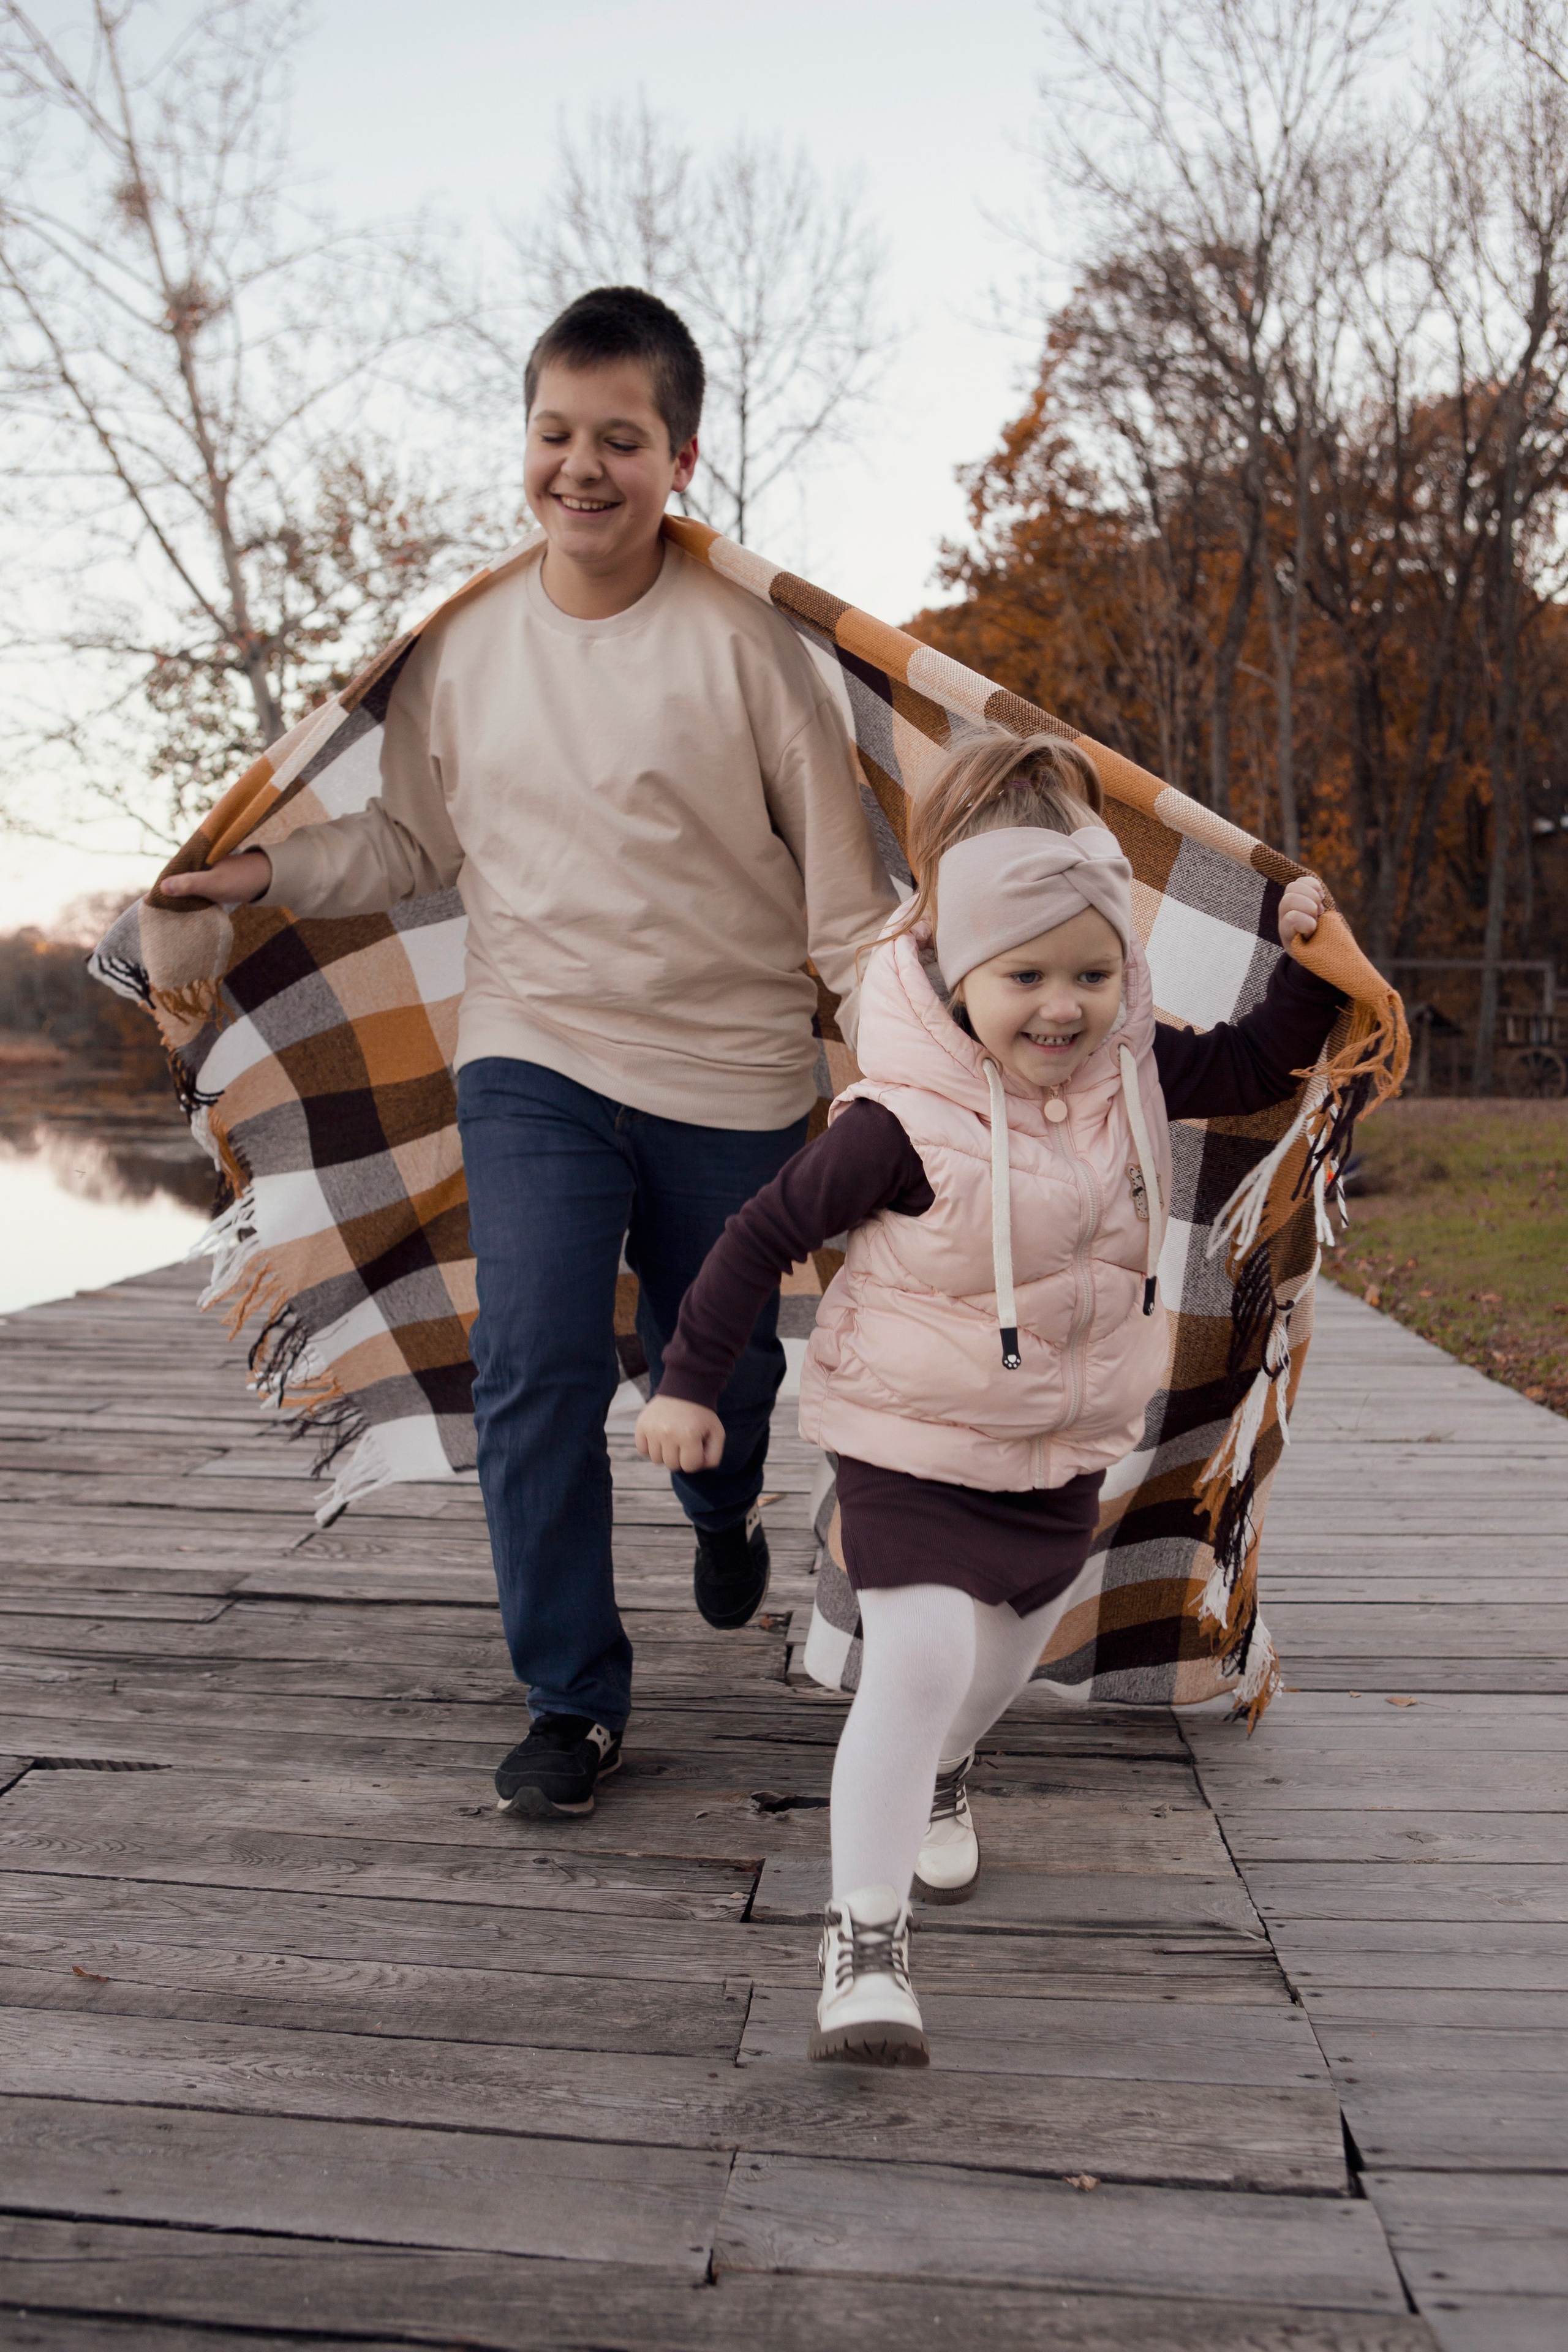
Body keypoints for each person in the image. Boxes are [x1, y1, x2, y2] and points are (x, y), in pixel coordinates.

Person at [159, 285, 899, 1820]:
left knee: (725, 1378)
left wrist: (906, 1071)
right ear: (526, 442)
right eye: (554, 432)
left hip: (734, 1076)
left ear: (680, 458)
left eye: (618, 439)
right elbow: (413, 841)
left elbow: (847, 903)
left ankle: (717, 1505)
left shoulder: (751, 648)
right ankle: (573, 1699)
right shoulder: (465, 643)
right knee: (534, 1365)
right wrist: (261, 877)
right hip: (533, 1055)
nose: (581, 466)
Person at [635, 727, 1343, 2066]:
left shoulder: (1131, 1071)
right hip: (904, 1437)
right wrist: (686, 1385)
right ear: (961, 978)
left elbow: (1255, 1068)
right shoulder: (892, 1126)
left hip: (1054, 1448)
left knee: (1004, 1665)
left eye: (1090, 973)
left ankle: (950, 1770)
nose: (1060, 1008)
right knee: (915, 1659)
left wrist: (1308, 959)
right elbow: (751, 1242)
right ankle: (862, 1942)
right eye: (1023, 977)